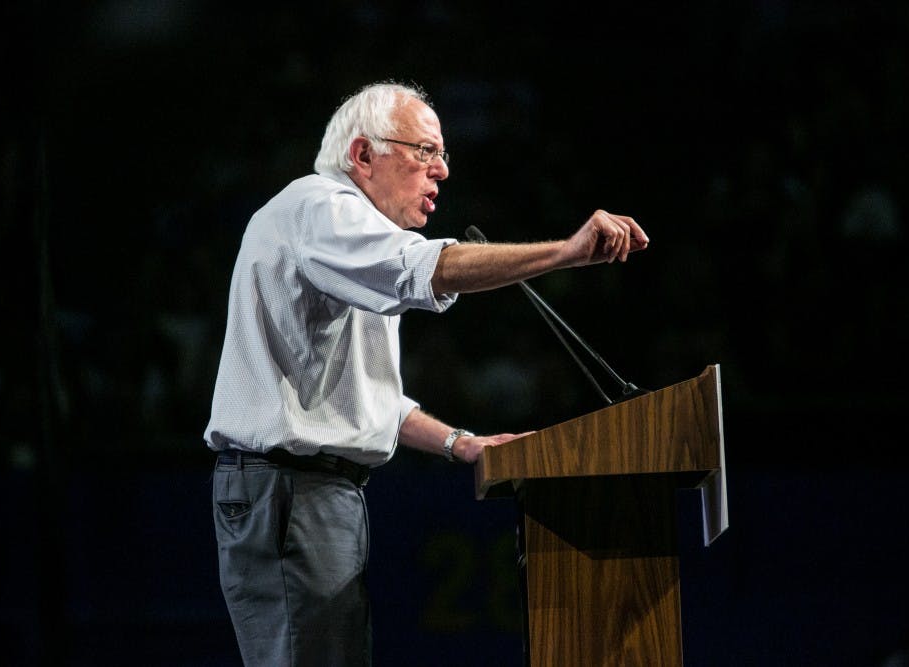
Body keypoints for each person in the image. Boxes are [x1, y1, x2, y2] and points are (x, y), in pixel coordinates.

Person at [203, 80, 649, 666]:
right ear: (363, 155)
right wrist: (565, 252)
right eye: (423, 152)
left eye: (442, 155)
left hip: (312, 493)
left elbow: (367, 397)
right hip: (290, 491)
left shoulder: (352, 239)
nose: (441, 170)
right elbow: (424, 267)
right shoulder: (320, 209)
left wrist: (460, 443)